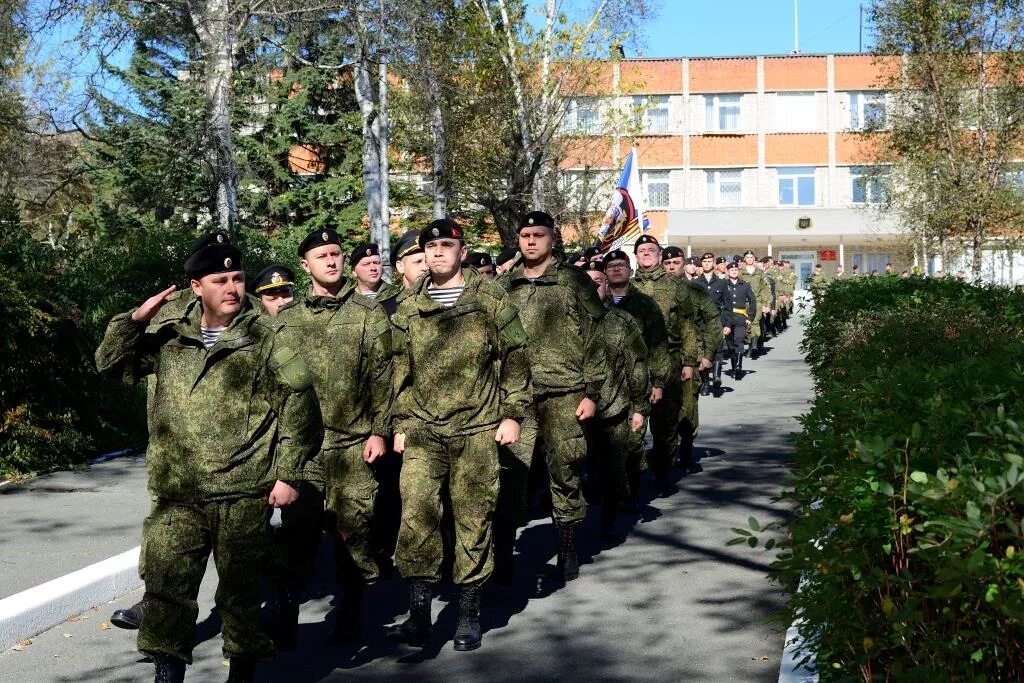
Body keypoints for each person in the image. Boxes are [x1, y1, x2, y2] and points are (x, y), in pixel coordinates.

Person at [95, 232, 322, 683]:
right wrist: (136, 319)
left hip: (242, 492)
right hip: (176, 492)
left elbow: (301, 411)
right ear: (196, 287)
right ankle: (167, 673)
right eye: (220, 279)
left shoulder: (268, 339)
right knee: (166, 592)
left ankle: (242, 673)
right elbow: (107, 362)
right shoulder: (168, 340)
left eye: (237, 277)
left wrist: (289, 475)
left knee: (240, 596)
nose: (233, 287)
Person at [387, 218, 531, 651]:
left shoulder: (490, 298)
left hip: (476, 429)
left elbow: (517, 357)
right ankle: (419, 615)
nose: (437, 254)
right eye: (430, 248)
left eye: (446, 246)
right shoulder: (408, 304)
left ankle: (468, 614)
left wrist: (513, 415)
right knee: (416, 521)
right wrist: (399, 423)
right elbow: (398, 368)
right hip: (424, 431)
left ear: (462, 252)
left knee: (472, 519)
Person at [275, 228, 394, 646]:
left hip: (353, 444)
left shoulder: (367, 314)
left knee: (353, 533)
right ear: (304, 265)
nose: (331, 261)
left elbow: (385, 378)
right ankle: (285, 616)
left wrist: (380, 431)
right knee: (298, 534)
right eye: (321, 255)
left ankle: (350, 614)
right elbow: (275, 386)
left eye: (336, 253)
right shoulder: (287, 320)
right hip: (304, 450)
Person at [497, 210, 606, 581]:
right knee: (509, 473)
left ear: (553, 239)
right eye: (525, 234)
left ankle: (567, 546)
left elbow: (596, 339)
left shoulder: (574, 282)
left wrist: (592, 392)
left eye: (538, 235)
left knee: (565, 472)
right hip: (517, 399)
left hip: (565, 392)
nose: (531, 241)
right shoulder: (505, 286)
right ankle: (503, 555)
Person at [633, 234, 720, 485]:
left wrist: (691, 361)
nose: (646, 253)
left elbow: (689, 327)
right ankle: (632, 482)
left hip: (670, 361)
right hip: (635, 364)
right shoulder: (628, 286)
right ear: (636, 256)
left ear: (658, 255)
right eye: (641, 250)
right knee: (632, 425)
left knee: (668, 422)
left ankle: (664, 471)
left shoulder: (677, 287)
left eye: (651, 250)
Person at [583, 259, 650, 546]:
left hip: (613, 408)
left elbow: (637, 366)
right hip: (571, 411)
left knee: (611, 469)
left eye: (597, 282)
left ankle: (608, 521)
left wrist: (639, 408)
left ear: (606, 285)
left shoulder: (622, 322)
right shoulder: (563, 321)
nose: (590, 287)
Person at [602, 248, 670, 509]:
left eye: (621, 265)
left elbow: (658, 344)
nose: (617, 269)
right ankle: (611, 495)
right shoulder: (596, 302)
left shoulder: (644, 304)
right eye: (611, 266)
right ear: (605, 273)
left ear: (630, 270)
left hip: (636, 383)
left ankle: (631, 492)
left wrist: (659, 381)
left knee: (633, 442)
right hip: (605, 385)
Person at [378, 230, 428, 318]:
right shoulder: (385, 309)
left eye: (428, 262)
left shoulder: (444, 300)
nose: (425, 268)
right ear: (400, 266)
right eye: (418, 262)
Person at [721, 261, 757, 379]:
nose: (734, 271)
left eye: (736, 270)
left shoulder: (745, 285)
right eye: (731, 270)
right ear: (727, 272)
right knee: (730, 344)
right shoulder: (723, 285)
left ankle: (738, 366)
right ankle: (733, 367)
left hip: (741, 318)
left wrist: (750, 317)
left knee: (739, 340)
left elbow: (752, 301)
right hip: (727, 318)